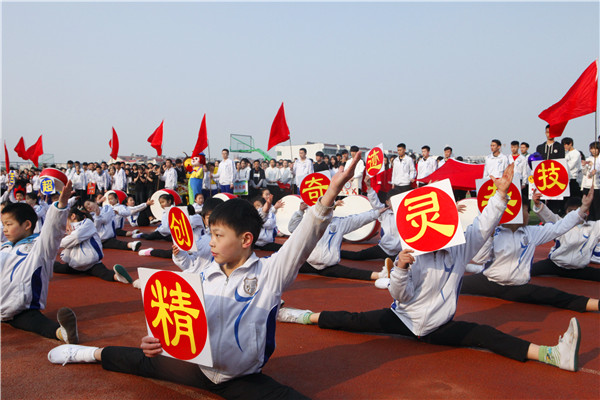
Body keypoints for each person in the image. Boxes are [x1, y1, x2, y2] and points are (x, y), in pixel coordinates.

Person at [46, 151, 366, 400]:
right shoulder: (203, 270)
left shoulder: (269, 273)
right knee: (139, 360)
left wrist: (330, 194)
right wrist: (163, 341)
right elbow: (183, 318)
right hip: (196, 365)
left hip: (240, 378)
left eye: (218, 236)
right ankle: (87, 352)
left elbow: (302, 240)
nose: (210, 242)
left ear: (245, 240)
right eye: (210, 234)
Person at [278, 164, 586, 372]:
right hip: (404, 319)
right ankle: (302, 315)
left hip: (441, 325)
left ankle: (552, 354)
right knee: (351, 320)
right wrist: (399, 268)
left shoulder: (461, 247)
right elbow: (401, 294)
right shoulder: (414, 253)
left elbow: (483, 224)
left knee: (486, 334)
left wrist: (502, 194)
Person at [460, 190, 599, 313]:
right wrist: (489, 233)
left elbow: (559, 227)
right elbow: (480, 258)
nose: (526, 214)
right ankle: (471, 268)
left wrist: (583, 209)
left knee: (554, 295)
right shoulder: (495, 233)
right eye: (524, 211)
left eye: (526, 211)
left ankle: (596, 304)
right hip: (489, 282)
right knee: (455, 283)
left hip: (518, 287)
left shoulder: (532, 233)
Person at [1, 181, 79, 344]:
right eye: (3, 225)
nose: (5, 229)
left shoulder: (40, 246)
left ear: (27, 225)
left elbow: (53, 229)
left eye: (9, 224)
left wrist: (60, 205)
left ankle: (63, 333)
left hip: (21, 309)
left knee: (39, 324)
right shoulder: (4, 248)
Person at [288, 200, 390, 281]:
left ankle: (381, 275)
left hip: (329, 266)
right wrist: (300, 212)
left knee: (350, 272)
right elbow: (292, 228)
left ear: (332, 208)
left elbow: (358, 219)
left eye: (329, 207)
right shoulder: (309, 221)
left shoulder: (339, 223)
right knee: (285, 264)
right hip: (309, 263)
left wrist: (377, 213)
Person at [53, 206, 136, 285]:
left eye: (65, 220)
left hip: (92, 264)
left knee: (104, 273)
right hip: (76, 265)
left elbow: (76, 237)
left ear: (73, 216)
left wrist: (59, 242)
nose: (64, 224)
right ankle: (47, 264)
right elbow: (68, 246)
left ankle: (118, 277)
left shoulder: (87, 223)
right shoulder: (71, 230)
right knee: (56, 267)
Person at [530, 194, 600, 281]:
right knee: (525, 271)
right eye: (570, 211)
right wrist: (538, 204)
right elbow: (548, 216)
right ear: (566, 212)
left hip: (579, 269)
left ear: (586, 211)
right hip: (555, 265)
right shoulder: (560, 222)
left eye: (576, 210)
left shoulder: (593, 227)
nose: (574, 214)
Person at [340, 176, 402, 261]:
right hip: (383, 249)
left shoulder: (405, 214)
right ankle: (338, 252)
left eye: (398, 200)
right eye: (393, 200)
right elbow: (375, 203)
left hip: (400, 252)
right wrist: (369, 187)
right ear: (387, 202)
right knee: (357, 256)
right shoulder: (384, 213)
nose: (395, 203)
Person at [581, 141, 599, 221]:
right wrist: (584, 166)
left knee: (596, 206)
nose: (593, 151)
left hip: (597, 186)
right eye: (591, 149)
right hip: (587, 186)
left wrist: (593, 168)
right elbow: (584, 173)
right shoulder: (588, 159)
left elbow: (597, 169)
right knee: (588, 206)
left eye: (595, 149)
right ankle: (589, 221)